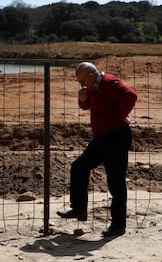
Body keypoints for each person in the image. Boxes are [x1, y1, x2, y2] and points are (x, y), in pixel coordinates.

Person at [57, 62, 137, 237]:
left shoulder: (110, 83)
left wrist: (120, 116)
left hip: (116, 136)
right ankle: (79, 209)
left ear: (91, 76)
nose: (82, 85)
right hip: (103, 138)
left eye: (82, 81)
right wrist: (83, 99)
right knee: (79, 167)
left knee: (115, 182)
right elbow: (88, 106)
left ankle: (118, 226)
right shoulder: (94, 86)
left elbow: (131, 96)